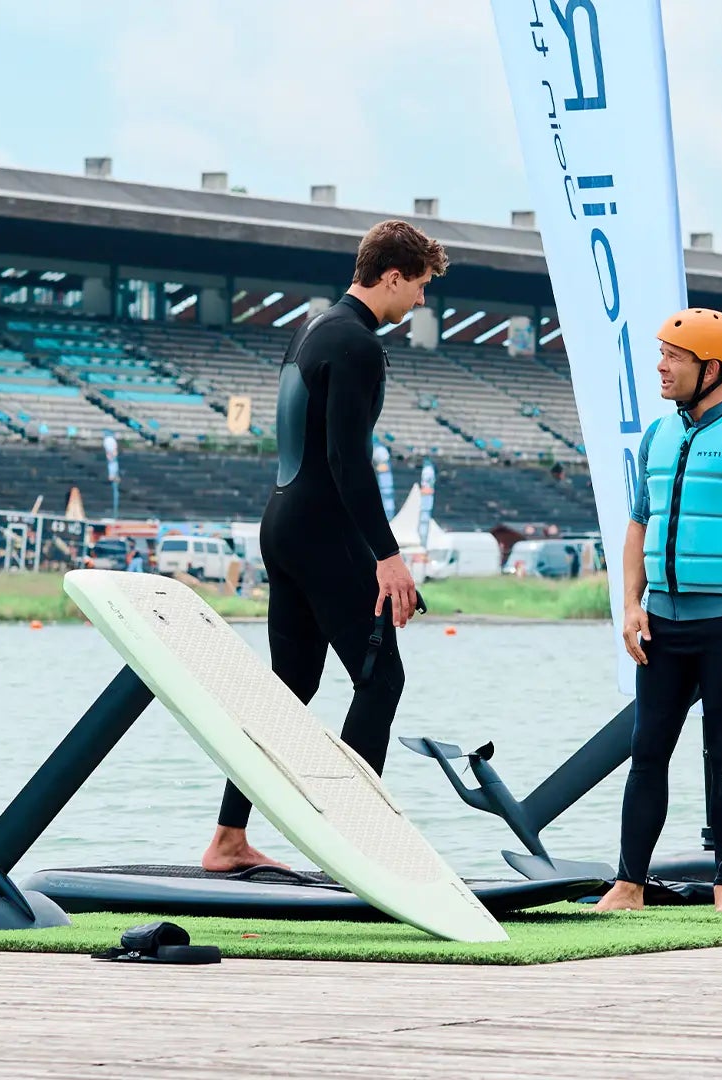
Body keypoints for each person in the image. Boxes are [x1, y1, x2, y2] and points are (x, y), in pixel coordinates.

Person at [202, 220, 448, 872]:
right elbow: (346, 460)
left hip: (282, 522)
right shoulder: (357, 344)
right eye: (420, 287)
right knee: (381, 679)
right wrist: (388, 557)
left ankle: (228, 838)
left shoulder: (314, 326)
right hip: (323, 530)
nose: (420, 302)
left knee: (291, 687)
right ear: (393, 276)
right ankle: (355, 846)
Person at [594, 308, 722, 913]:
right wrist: (630, 605)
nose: (661, 366)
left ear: (711, 368)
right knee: (648, 748)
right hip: (661, 623)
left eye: (673, 358)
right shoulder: (660, 434)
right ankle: (628, 884)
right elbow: (637, 524)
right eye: (662, 354)